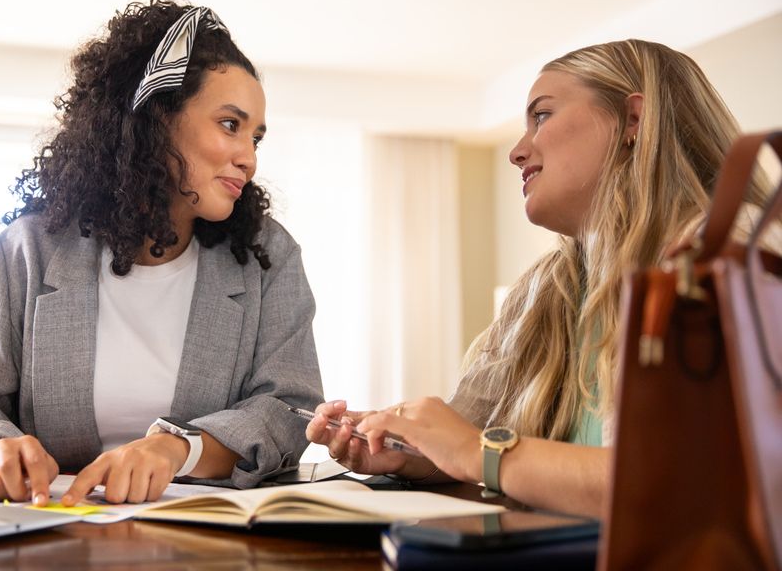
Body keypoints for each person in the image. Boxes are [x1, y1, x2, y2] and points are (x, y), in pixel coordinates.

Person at [306, 39, 773, 519]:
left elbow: (686, 483)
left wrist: (476, 451)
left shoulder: (730, 254)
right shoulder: (541, 292)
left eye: (542, 116)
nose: (516, 151)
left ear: (634, 121)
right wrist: (407, 454)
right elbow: (470, 443)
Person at [0, 0, 323, 507]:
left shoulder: (268, 256)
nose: (250, 158)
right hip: (45, 532)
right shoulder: (27, 250)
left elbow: (290, 410)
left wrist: (177, 450)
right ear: (158, 118)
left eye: (256, 137)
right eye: (230, 125)